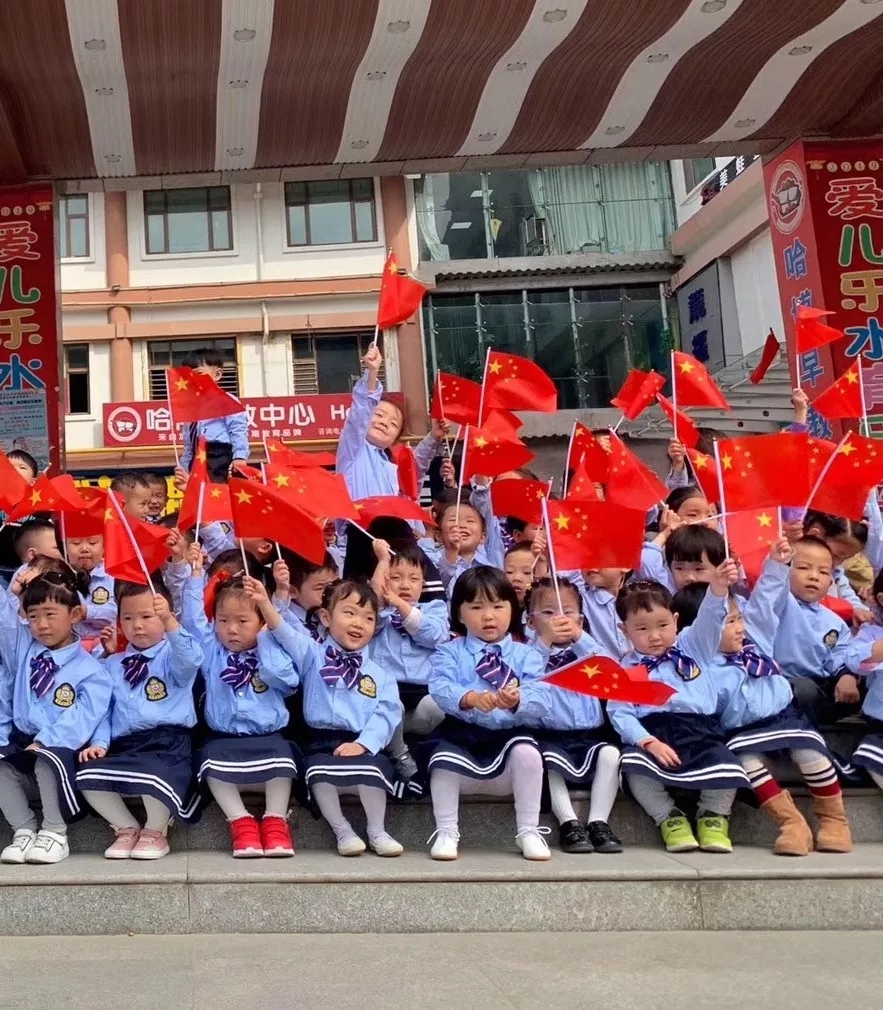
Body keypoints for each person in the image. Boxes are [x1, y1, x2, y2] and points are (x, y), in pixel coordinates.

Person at [675, 539, 853, 857]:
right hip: (742, 729)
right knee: (747, 765)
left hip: (784, 715)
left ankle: (834, 821)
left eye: (737, 618)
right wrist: (718, 588)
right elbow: (707, 619)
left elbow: (765, 602)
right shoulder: (699, 655)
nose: (738, 627)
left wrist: (777, 565)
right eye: (728, 622)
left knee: (810, 753)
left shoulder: (755, 639)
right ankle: (791, 824)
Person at [608, 567, 749, 854]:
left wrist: (718, 588)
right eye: (642, 629)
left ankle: (713, 816)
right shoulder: (628, 669)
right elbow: (620, 713)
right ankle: (669, 818)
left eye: (662, 625)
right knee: (634, 767)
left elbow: (709, 618)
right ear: (624, 630)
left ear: (675, 620)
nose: (655, 636)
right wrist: (648, 742)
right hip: (655, 733)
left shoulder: (693, 646)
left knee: (727, 763)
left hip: (700, 731)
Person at [181, 544, 301, 859]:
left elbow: (287, 681)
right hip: (224, 738)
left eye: (242, 621)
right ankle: (240, 822)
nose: (231, 629)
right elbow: (193, 623)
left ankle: (275, 821)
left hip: (268, 737)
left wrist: (265, 639)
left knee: (284, 760)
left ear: (261, 623)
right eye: (223, 621)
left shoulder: (270, 650)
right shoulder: (212, 653)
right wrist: (195, 576)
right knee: (209, 764)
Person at [270, 579, 405, 858]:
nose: (358, 623)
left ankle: (377, 830)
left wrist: (363, 744)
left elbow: (386, 713)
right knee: (318, 775)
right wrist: (267, 599)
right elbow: (283, 631)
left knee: (372, 773)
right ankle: (342, 830)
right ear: (326, 617)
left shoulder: (381, 675)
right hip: (319, 742)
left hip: (361, 742)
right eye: (349, 613)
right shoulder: (312, 654)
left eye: (368, 618)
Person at [426, 566, 548, 862]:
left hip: (510, 733)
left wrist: (517, 701)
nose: (488, 616)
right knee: (442, 761)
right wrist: (470, 698)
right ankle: (446, 830)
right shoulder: (448, 652)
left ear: (512, 609)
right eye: (477, 607)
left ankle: (529, 830)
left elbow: (542, 698)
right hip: (462, 733)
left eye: (497, 606)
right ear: (459, 613)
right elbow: (439, 685)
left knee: (528, 754)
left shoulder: (528, 654)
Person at [76, 580, 204, 859]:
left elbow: (191, 659)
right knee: (86, 774)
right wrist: (100, 743)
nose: (137, 625)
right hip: (126, 744)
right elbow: (104, 709)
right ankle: (127, 827)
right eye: (128, 618)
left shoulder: (172, 655)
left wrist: (169, 621)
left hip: (168, 742)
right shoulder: (113, 663)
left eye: (147, 616)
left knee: (153, 775)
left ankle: (156, 829)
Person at [0, 570, 112, 864]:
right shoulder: (25, 650)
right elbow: (7, 625)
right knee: (1, 767)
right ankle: (23, 829)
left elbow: (82, 717)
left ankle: (54, 832)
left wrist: (44, 741)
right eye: (33, 616)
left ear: (74, 614)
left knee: (46, 760)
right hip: (22, 743)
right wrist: (12, 595)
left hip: (63, 748)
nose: (41, 624)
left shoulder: (92, 670)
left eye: (50, 614)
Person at [521, 578, 623, 854]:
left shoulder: (587, 651)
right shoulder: (528, 654)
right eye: (548, 612)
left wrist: (580, 637)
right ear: (530, 622)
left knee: (610, 755)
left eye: (567, 612)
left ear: (580, 618)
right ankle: (569, 823)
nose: (559, 619)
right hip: (550, 735)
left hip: (591, 734)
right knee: (548, 764)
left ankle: (598, 822)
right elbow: (523, 678)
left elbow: (612, 671)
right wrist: (544, 643)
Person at [369, 540, 449, 777]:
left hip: (425, 690)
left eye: (413, 579)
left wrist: (401, 605)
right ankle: (400, 754)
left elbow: (433, 635)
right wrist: (383, 561)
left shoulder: (434, 608)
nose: (405, 584)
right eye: (396, 577)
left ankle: (437, 754)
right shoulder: (379, 612)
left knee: (444, 706)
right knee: (388, 707)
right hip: (388, 688)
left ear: (423, 584)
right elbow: (372, 615)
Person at [771, 536, 857, 727]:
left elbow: (841, 653)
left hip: (821, 686)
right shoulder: (777, 603)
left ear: (831, 581)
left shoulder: (834, 621)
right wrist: (777, 566)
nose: (814, 576)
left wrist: (847, 676)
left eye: (823, 572)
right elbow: (770, 589)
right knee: (803, 689)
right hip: (783, 682)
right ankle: (803, 732)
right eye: (803, 568)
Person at [336, 345, 405, 501]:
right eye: (379, 415)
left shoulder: (389, 466)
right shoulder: (353, 448)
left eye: (394, 424)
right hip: (356, 517)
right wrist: (372, 372)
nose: (384, 423)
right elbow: (360, 411)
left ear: (395, 440)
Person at [177, 348, 250, 482]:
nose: (193, 379)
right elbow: (188, 443)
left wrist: (239, 457)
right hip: (197, 455)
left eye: (199, 373)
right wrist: (184, 467)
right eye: (189, 376)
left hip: (218, 454)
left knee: (215, 489)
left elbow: (238, 430)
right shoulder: (190, 407)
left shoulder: (226, 400)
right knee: (197, 490)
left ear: (217, 375)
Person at [639, 523, 726, 594]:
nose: (689, 577)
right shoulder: (669, 591)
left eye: (698, 569)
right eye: (679, 568)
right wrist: (664, 535)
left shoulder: (724, 594)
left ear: (719, 567)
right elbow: (646, 562)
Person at [272, 551, 338, 640]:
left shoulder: (336, 611)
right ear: (292, 591)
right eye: (319, 588)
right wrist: (282, 589)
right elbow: (276, 619)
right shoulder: (286, 618)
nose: (329, 593)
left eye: (332, 585)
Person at [65, 531, 116, 639]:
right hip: (69, 642)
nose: (84, 549)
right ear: (65, 547)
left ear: (104, 547)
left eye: (92, 543)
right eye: (76, 543)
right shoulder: (60, 576)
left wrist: (86, 612)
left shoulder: (114, 576)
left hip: (105, 641)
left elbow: (116, 614)